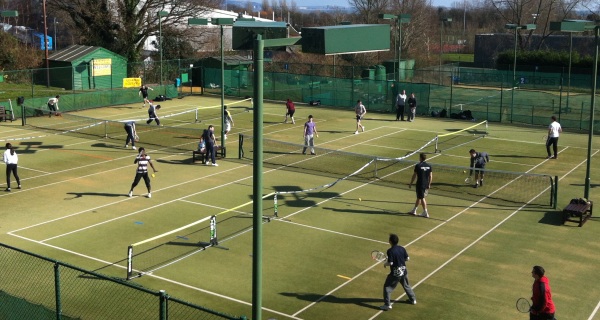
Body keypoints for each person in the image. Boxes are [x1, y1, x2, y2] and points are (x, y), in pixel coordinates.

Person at [379, 233, 417, 311]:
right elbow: (407, 258)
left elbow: (391, 263)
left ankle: (387, 305)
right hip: (404, 271)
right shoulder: (402, 248)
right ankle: (413, 300)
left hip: (395, 273)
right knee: (406, 286)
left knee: (387, 287)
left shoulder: (390, 251)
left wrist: (385, 264)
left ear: (390, 241)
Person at [408, 153, 432, 218]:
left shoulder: (418, 166)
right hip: (425, 184)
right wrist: (429, 184)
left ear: (420, 158)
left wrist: (411, 183)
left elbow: (414, 175)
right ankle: (414, 210)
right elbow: (430, 176)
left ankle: (425, 212)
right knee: (419, 197)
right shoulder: (429, 166)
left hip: (420, 184)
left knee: (422, 198)